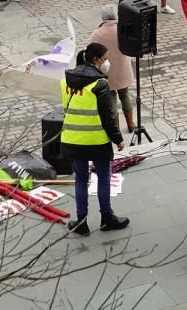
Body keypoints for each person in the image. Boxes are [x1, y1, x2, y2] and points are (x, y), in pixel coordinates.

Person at [61, 42, 129, 236]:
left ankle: (81, 222)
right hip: (97, 141)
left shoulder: (64, 81)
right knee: (104, 179)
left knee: (81, 180)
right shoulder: (100, 84)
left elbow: (66, 110)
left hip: (73, 140)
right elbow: (108, 116)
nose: (107, 63)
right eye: (105, 59)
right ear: (96, 60)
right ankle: (107, 217)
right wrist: (118, 139)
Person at [89, 5, 136, 134]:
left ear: (103, 17)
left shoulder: (97, 33)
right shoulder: (122, 30)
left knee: (111, 99)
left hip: (106, 71)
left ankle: (116, 130)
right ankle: (131, 124)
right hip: (122, 68)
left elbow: (91, 52)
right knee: (125, 94)